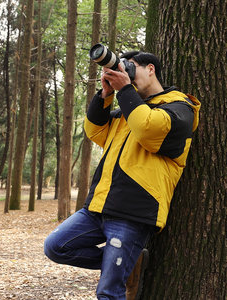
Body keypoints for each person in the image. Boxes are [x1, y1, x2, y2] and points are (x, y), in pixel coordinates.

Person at [44, 50, 200, 300]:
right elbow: (95, 132)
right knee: (55, 247)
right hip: (98, 207)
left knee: (108, 292)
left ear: (151, 69)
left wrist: (125, 91)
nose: (125, 73)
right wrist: (105, 95)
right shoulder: (130, 111)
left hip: (133, 213)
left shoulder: (180, 107)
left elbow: (148, 129)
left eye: (131, 67)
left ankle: (126, 259)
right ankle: (131, 259)